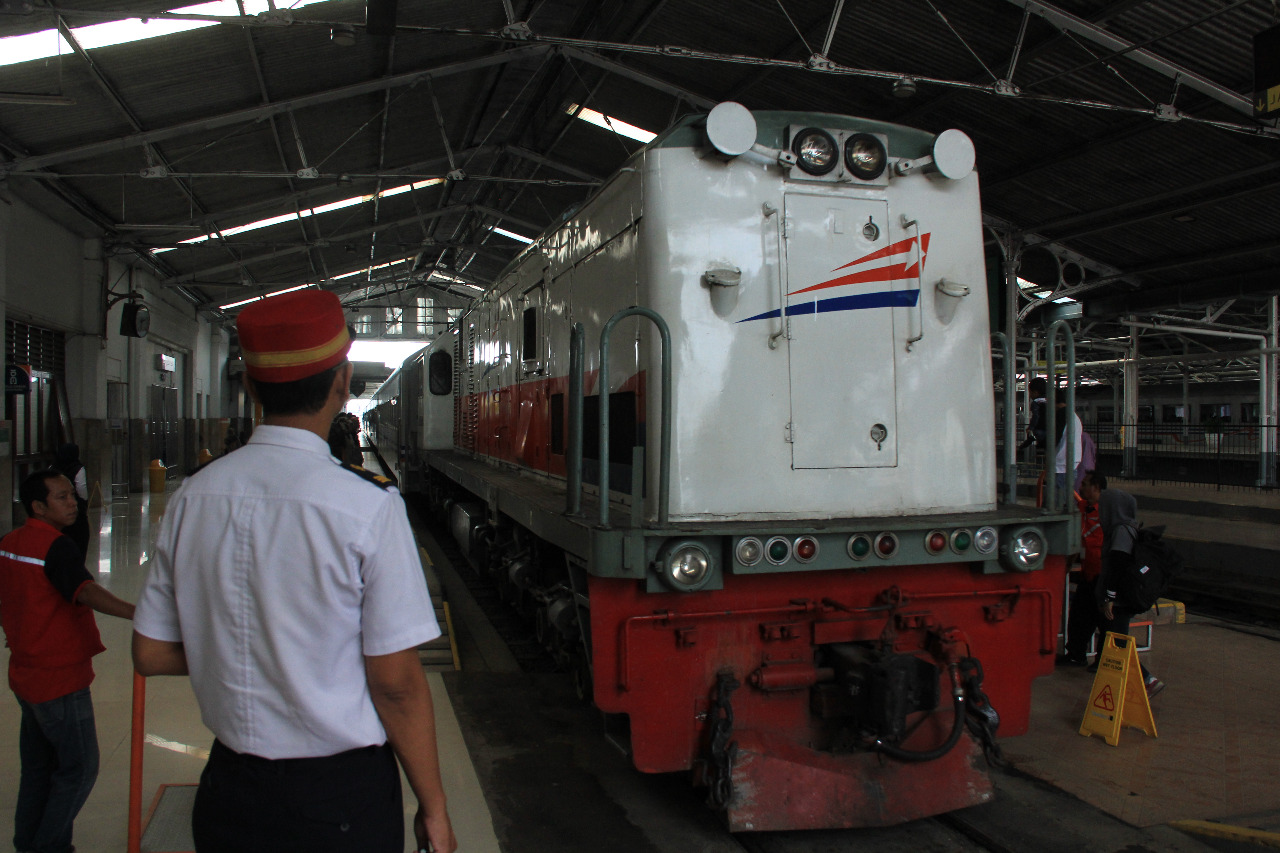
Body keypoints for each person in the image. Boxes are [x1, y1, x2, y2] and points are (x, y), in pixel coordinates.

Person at [132, 289, 456, 853]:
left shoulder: (193, 498)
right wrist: (435, 807)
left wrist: (245, 651)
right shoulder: (367, 506)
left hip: (229, 792)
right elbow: (396, 684)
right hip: (340, 801)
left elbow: (151, 653)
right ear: (342, 380)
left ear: (253, 389)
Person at [0, 469, 136, 853]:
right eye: (60, 497)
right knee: (78, 768)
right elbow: (86, 591)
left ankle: (30, 843)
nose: (72, 502)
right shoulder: (54, 547)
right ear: (38, 507)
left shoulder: (10, 542)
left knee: (40, 771)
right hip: (59, 678)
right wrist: (138, 613)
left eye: (70, 494)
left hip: (26, 676)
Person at [1093, 482, 1166, 699]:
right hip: (1119, 598)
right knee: (1112, 639)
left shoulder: (1120, 531)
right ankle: (1115, 684)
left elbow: (1117, 565)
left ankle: (1147, 679)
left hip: (1120, 600)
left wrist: (1109, 597)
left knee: (1118, 640)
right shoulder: (1125, 527)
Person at [1058, 469, 1104, 666]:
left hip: (1104, 574)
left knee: (1105, 621)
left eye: (1085, 484)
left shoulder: (1107, 511)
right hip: (1088, 572)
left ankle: (1104, 661)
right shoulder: (1083, 508)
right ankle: (1076, 654)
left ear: (1096, 488)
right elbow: (1077, 538)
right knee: (1079, 616)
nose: (1081, 487)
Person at [53, 443, 91, 558]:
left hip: (56, 514)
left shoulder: (53, 467)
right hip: (75, 516)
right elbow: (82, 490)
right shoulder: (78, 468)